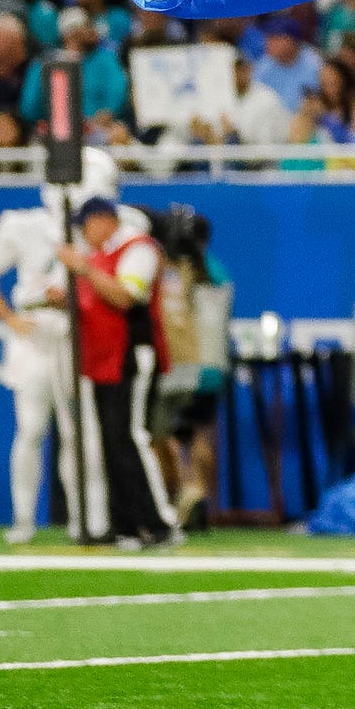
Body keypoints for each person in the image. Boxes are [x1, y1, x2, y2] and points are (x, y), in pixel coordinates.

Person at [58, 196, 176, 546]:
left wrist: (86, 270)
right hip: (104, 358)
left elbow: (126, 296)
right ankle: (124, 522)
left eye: (87, 224)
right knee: (111, 439)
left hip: (131, 354)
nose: (83, 232)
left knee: (131, 437)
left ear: (105, 220)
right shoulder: (101, 255)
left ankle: (157, 523)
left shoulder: (138, 249)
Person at [0, 194, 88, 541]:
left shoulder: (99, 225)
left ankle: (81, 518)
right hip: (35, 329)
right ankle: (24, 518)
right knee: (31, 429)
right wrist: (9, 317)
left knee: (76, 432)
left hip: (73, 330)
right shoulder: (25, 224)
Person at [148, 207, 232, 534]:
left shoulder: (176, 269)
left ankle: (178, 496)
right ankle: (197, 494)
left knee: (163, 433)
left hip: (181, 362)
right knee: (201, 433)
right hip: (212, 365)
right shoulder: (217, 270)